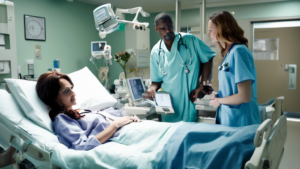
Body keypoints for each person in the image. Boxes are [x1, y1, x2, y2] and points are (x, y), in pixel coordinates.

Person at [35, 72, 141, 150]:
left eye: (71, 88)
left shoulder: (81, 111)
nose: (74, 93)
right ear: (53, 97)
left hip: (130, 129)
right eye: (66, 91)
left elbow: (114, 115)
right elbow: (82, 145)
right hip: (121, 137)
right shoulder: (62, 119)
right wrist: (115, 125)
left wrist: (130, 119)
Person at [143, 13, 216, 122]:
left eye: (170, 27)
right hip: (169, 107)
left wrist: (202, 84)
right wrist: (150, 90)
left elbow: (208, 59)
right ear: (156, 28)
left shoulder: (190, 40)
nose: (167, 31)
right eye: (163, 28)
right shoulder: (155, 51)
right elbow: (156, 82)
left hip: (189, 100)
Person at [208, 11, 261, 127]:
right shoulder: (229, 53)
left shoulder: (239, 51)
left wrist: (219, 101)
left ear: (221, 29)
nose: (209, 34)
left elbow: (244, 96)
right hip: (230, 119)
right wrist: (218, 96)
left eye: (211, 30)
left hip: (242, 121)